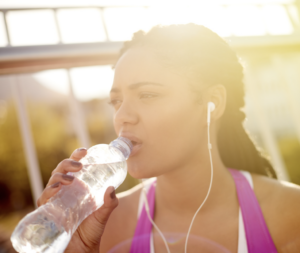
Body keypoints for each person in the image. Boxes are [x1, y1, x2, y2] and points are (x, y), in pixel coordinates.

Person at [37, 24, 300, 253]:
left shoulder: (290, 214)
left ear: (212, 103)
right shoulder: (104, 225)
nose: (122, 117)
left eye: (148, 95)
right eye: (116, 101)